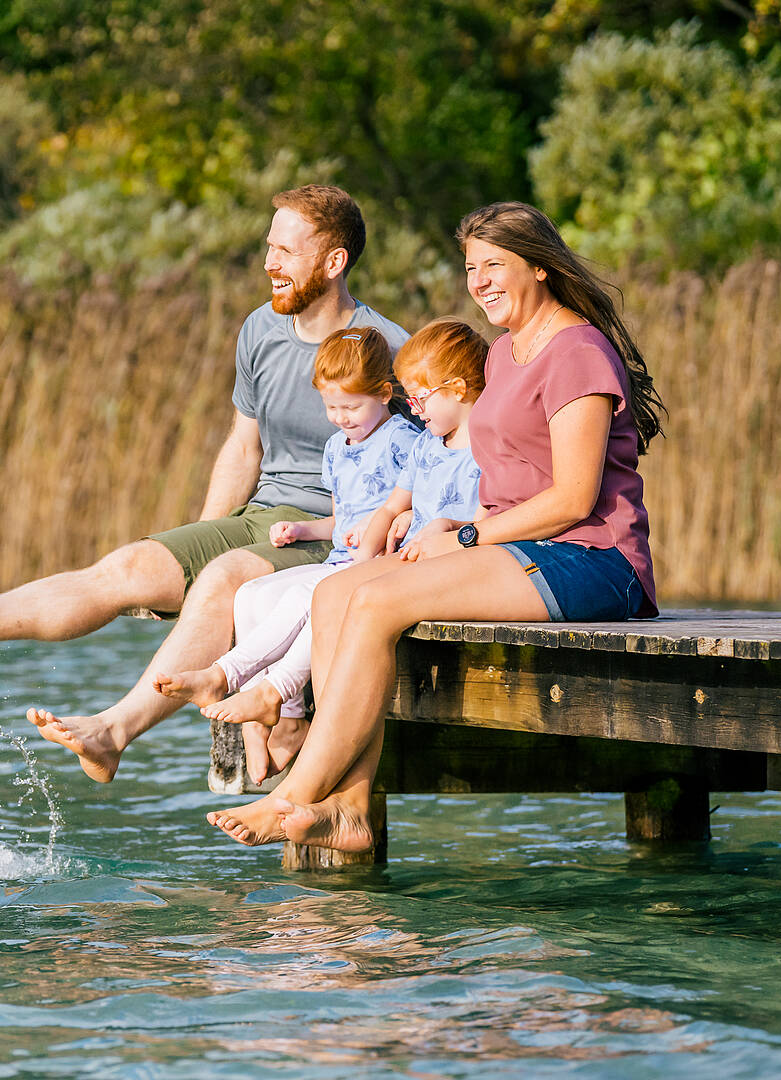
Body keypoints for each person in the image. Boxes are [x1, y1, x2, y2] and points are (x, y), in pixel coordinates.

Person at [0, 184, 411, 782]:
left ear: (333, 261)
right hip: (259, 517)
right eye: (268, 247)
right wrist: (196, 539)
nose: (269, 263)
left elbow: (423, 463)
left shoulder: (388, 350)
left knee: (221, 581)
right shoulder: (259, 332)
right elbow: (243, 447)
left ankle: (113, 731)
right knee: (131, 566)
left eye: (286, 252)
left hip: (333, 534)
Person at [205, 200, 666, 849]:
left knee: (373, 603)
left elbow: (572, 498)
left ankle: (293, 796)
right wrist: (435, 525)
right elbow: (489, 472)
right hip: (514, 545)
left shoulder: (577, 351)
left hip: (590, 560)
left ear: (537, 266)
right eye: (471, 267)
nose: (478, 281)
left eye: (493, 264)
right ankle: (352, 809)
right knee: (339, 592)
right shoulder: (504, 354)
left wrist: (468, 539)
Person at [156, 318, 487, 785]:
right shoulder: (423, 445)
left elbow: (485, 516)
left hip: (434, 571)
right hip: (382, 563)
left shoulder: (437, 442)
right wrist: (334, 541)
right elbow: (378, 511)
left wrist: (421, 531)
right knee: (254, 595)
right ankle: (269, 706)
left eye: (420, 399)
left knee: (316, 598)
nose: (340, 416)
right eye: (332, 406)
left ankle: (254, 689)